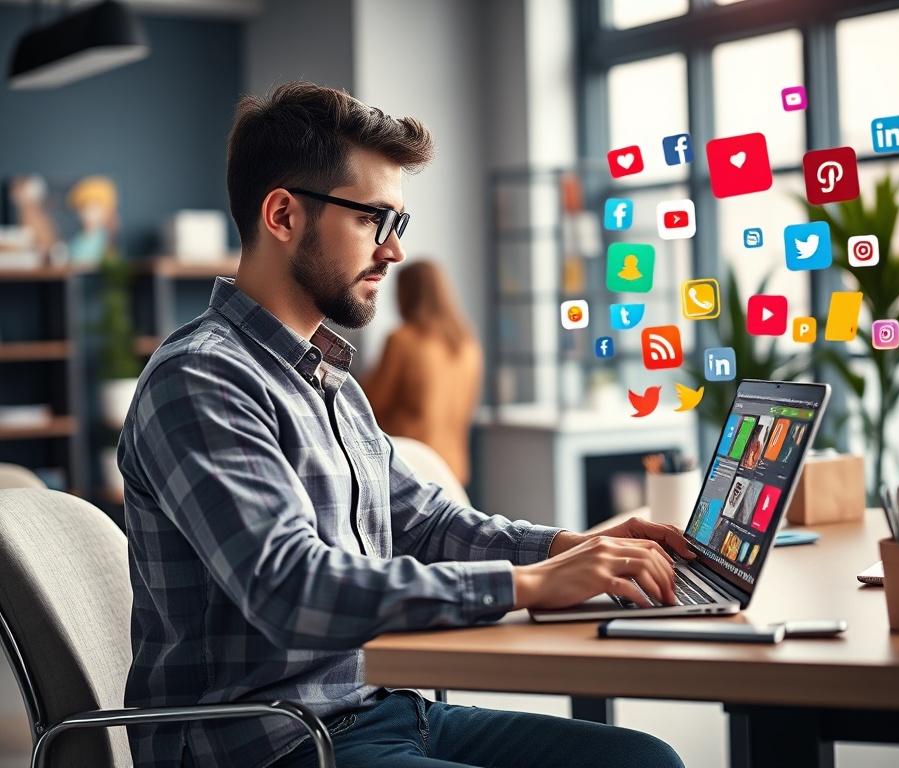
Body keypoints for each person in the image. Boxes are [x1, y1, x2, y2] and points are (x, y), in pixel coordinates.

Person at [117, 81, 692, 768]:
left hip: (384, 711)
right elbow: (286, 585)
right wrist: (528, 586)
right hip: (271, 743)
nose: (393, 252)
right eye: (373, 219)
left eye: (399, 225)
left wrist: (574, 547)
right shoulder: (202, 378)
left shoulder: (331, 381)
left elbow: (427, 524)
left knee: (643, 761)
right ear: (282, 215)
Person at [364, 260, 481, 485]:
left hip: (410, 466)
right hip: (453, 468)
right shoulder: (468, 346)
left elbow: (369, 403)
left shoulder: (402, 340)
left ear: (407, 293)